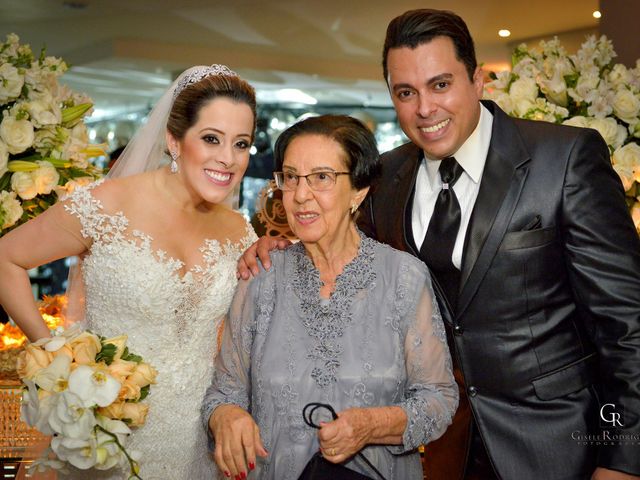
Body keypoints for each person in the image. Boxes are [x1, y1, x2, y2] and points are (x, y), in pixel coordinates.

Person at [239, 9, 640, 480]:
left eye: (441, 85)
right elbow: (345, 255)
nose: (424, 109)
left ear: (478, 79)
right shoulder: (384, 178)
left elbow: (626, 327)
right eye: (405, 93)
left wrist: (622, 459)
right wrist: (276, 246)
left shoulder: (565, 158)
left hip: (559, 443)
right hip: (442, 448)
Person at [0, 64, 259, 479]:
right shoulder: (105, 206)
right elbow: (5, 259)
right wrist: (55, 357)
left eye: (241, 143)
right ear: (175, 140)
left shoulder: (239, 230)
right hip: (111, 434)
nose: (228, 159)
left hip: (197, 439)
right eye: (211, 138)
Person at [203, 115, 458, 480]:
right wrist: (225, 415)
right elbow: (222, 392)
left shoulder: (403, 277)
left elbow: (439, 401)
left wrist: (372, 425)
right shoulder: (259, 277)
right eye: (290, 177)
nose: (300, 195)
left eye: (321, 177)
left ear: (359, 190)